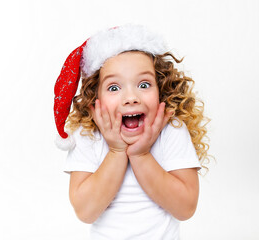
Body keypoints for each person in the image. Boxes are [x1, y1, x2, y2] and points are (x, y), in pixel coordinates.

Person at [53, 24, 210, 240]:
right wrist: (117, 151)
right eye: (114, 88)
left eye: (144, 85)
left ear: (161, 90)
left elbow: (185, 208)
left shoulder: (172, 131)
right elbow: (85, 212)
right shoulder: (87, 135)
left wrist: (140, 155)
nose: (131, 97)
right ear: (94, 98)